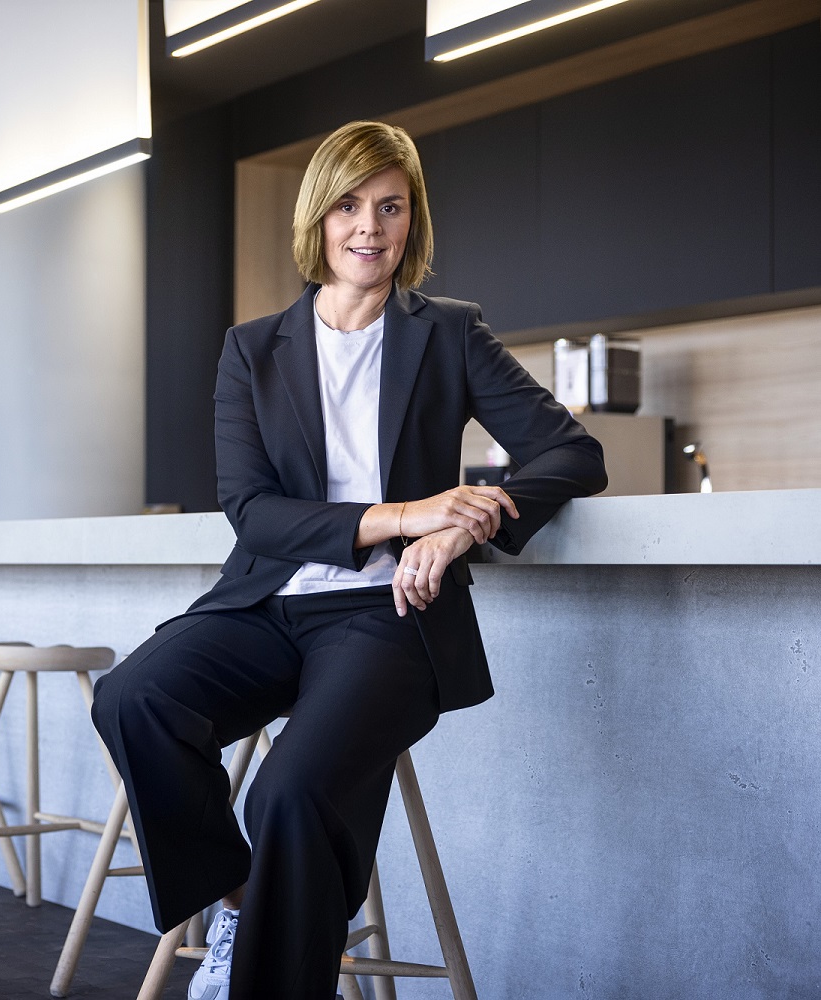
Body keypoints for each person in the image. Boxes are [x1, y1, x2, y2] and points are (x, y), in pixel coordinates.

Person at [90, 121, 607, 1000]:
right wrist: (407, 512)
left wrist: (461, 529)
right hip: (266, 606)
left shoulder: (449, 333)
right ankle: (248, 909)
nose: (370, 227)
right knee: (132, 698)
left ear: (413, 220)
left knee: (285, 794)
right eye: (349, 206)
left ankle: (274, 956)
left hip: (390, 616)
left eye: (391, 207)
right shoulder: (253, 349)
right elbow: (252, 512)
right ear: (318, 219)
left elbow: (572, 452)